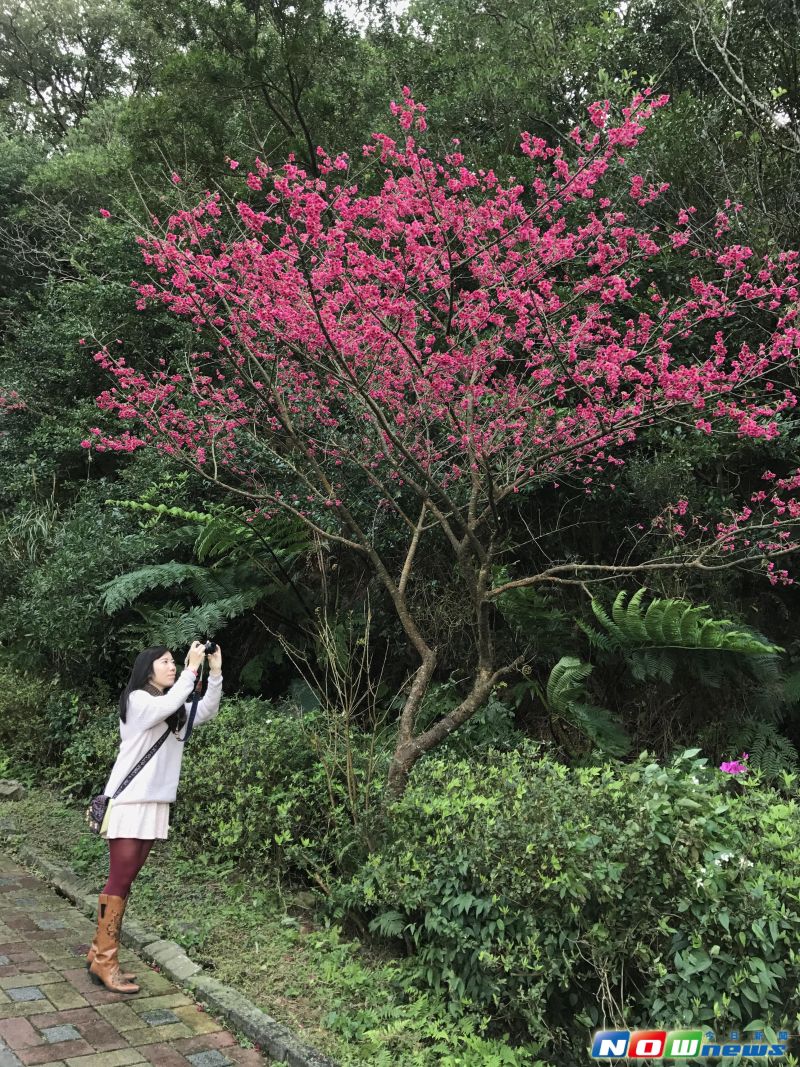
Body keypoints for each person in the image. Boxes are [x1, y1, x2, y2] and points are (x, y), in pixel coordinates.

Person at [87, 640, 223, 994]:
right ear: (148, 669)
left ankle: (99, 953)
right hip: (131, 803)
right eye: (165, 662)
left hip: (154, 803)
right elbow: (168, 702)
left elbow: (205, 709)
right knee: (118, 881)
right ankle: (105, 961)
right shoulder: (139, 702)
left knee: (126, 882)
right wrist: (192, 669)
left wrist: (214, 671)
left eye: (174, 662)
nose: (172, 666)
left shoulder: (170, 708)